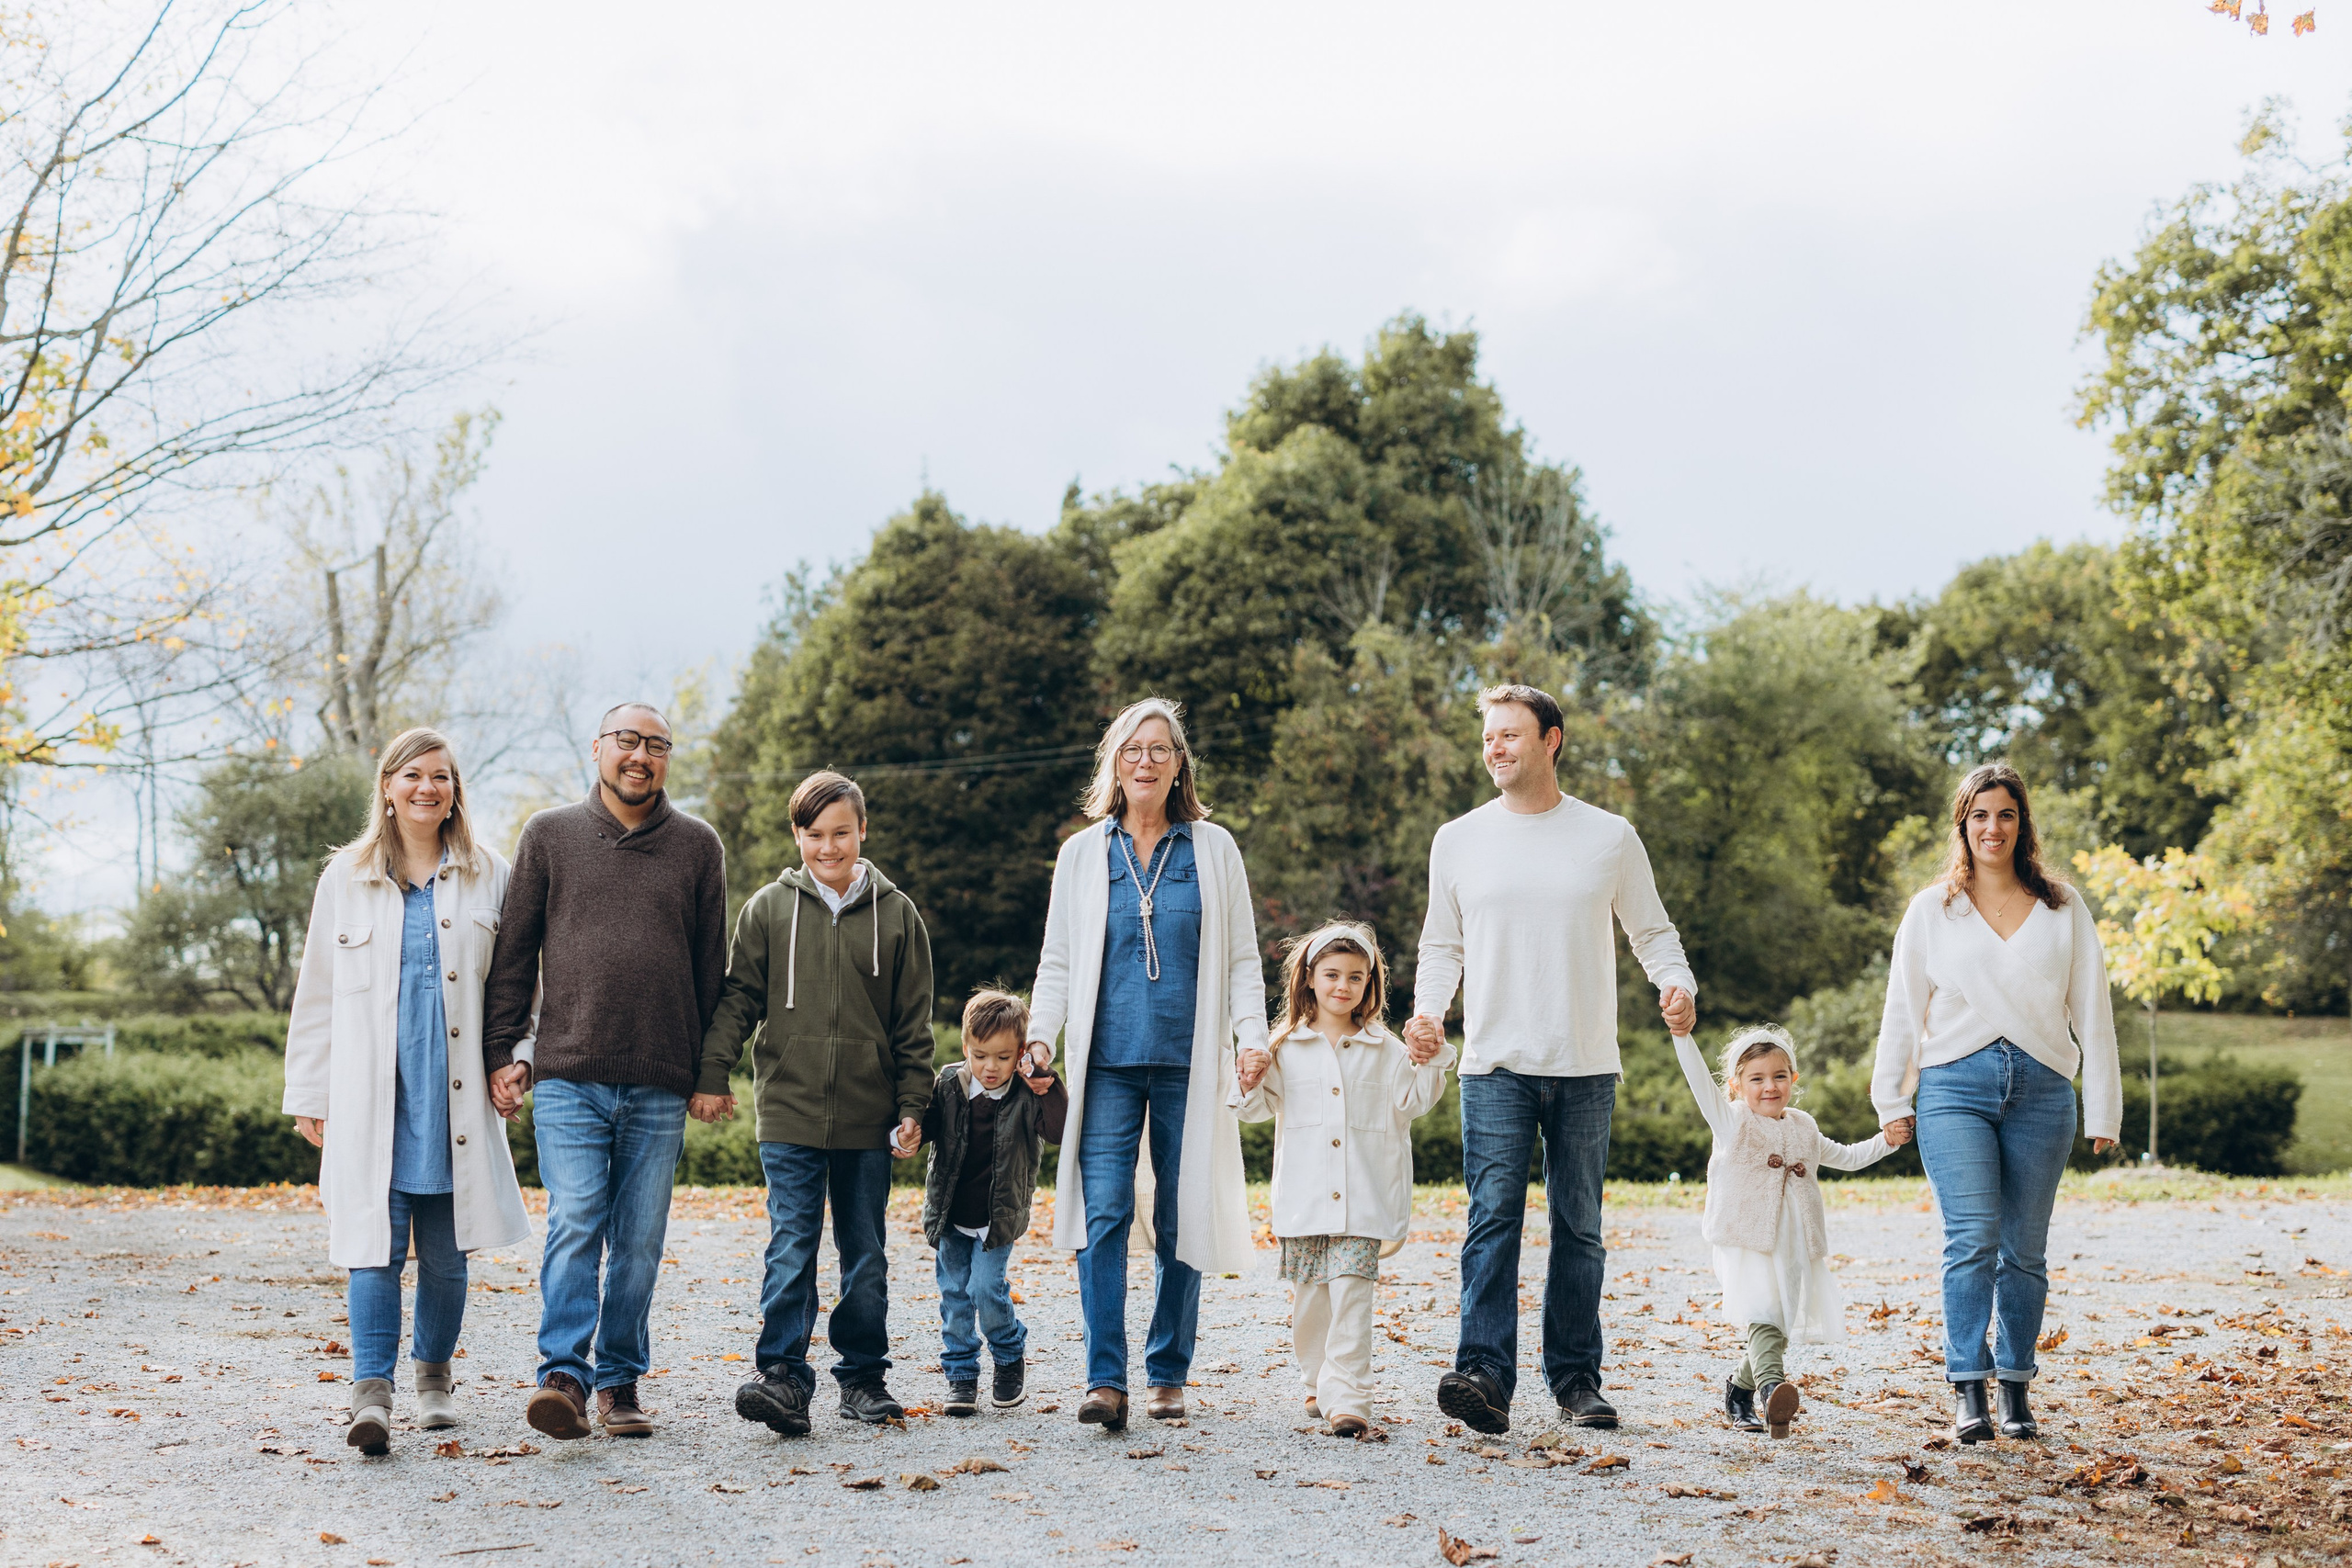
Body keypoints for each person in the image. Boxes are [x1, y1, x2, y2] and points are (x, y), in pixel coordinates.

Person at [1408, 682, 1697, 1436]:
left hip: (1585, 1063)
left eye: (1510, 735)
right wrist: (1430, 1012)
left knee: (1579, 1226)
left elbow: (1654, 934)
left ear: (1552, 740)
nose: (1495, 748)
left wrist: (1676, 983)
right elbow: (1443, 944)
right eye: (1490, 736)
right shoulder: (1458, 838)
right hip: (1495, 1062)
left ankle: (1575, 1379)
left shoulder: (1608, 835)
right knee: (1492, 1216)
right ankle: (1484, 1376)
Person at [482, 702, 730, 1442]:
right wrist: (504, 1052)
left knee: (640, 1236)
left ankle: (621, 1379)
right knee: (575, 1220)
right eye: (628, 740)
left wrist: (709, 1071)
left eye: (657, 745)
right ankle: (564, 1374)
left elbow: (711, 969)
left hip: (659, 1077)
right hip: (569, 1074)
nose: (641, 755)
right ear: (598, 747)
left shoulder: (697, 845)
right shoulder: (549, 835)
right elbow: (514, 955)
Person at [284, 727, 531, 1456]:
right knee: (372, 1247)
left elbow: (522, 990)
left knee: (449, 1254)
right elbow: (318, 993)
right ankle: (371, 1395)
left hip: (453, 1096)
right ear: (388, 788)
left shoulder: (493, 874)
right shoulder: (346, 877)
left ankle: (433, 1380)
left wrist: (520, 1057)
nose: (429, 788)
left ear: (456, 790)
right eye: (413, 775)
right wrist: (310, 1088)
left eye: (442, 776)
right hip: (370, 1097)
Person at [1025, 696, 1264, 1433]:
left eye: (1161, 749)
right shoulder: (1082, 854)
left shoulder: (1214, 849)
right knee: (1103, 1215)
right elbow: (1059, 961)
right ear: (1115, 762)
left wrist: (1250, 1034)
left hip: (1187, 1063)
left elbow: (1244, 958)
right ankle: (1105, 1378)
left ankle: (1166, 1370)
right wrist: (1039, 1036)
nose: (1146, 761)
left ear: (1179, 762)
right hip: (1106, 1064)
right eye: (1133, 749)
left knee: (1180, 1214)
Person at [1872, 761, 2121, 1444]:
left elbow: (2092, 1008)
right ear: (1963, 823)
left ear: (2022, 823)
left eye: (2005, 814)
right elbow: (1902, 1009)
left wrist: (2102, 1108)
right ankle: (1966, 1389)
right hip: (1954, 1086)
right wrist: (1890, 1096)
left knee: (2025, 1250)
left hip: (2043, 1090)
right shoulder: (1933, 910)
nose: (1993, 827)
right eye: (1980, 814)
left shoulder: (2062, 906)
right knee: (1972, 1238)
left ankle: (2014, 1385)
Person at [701, 770, 937, 1435]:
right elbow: (739, 999)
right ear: (796, 834)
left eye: (840, 832)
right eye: (814, 834)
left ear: (862, 830)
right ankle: (781, 1376)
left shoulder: (898, 915)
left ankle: (863, 1377)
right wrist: (712, 1072)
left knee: (865, 1250)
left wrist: (912, 1105)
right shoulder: (770, 909)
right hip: (790, 1110)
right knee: (791, 1243)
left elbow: (912, 1025)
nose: (827, 847)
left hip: (869, 1116)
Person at [1233, 923, 1451, 1438]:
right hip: (1306, 1198)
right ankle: (1317, 1379)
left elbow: (1415, 1101)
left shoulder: (1386, 1049)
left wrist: (1429, 1058)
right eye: (1331, 974)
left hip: (1363, 1196)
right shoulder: (1284, 1047)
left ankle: (1349, 1397)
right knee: (1311, 1300)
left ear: (1370, 983)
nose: (1342, 986)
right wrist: (1247, 1078)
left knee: (1352, 1294)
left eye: (1356, 977)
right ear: (1309, 979)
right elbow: (1256, 1110)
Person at [1670, 1025, 1907, 1438]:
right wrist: (1682, 1035)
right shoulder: (1732, 1122)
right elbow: (1696, 1078)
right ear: (1736, 1085)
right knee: (1763, 1318)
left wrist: (1885, 1141)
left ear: (1794, 1079)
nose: (1769, 1087)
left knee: (1777, 1329)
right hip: (1747, 1240)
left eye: (1779, 1076)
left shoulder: (1803, 1127)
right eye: (1756, 1078)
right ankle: (1770, 1393)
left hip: (1794, 1242)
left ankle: (1739, 1391)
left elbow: (1848, 1157)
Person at [918, 988, 1068, 1417]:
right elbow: (925, 1125)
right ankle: (962, 1374)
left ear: (1020, 1052)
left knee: (986, 1289)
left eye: (1002, 1057)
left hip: (996, 1219)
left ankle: (1008, 1354)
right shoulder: (949, 1084)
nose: (990, 1067)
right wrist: (904, 1132)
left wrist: (1048, 1085)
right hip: (950, 1215)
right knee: (955, 1296)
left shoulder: (1027, 1093)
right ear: (967, 1047)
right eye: (980, 1055)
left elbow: (1058, 1130)